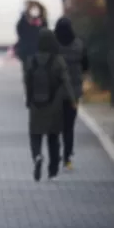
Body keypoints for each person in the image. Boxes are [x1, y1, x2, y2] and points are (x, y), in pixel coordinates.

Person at [24, 29, 76, 181]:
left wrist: (28, 100)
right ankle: (52, 171)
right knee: (53, 138)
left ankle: (37, 156)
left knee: (35, 135)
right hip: (54, 105)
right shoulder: (58, 60)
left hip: (36, 104)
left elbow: (28, 83)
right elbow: (66, 82)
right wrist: (72, 100)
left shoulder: (31, 60)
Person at [54, 17, 89, 169]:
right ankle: (67, 157)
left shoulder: (53, 46)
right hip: (73, 93)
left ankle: (55, 154)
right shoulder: (79, 45)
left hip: (55, 93)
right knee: (69, 126)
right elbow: (86, 66)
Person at [14, 0, 47, 66]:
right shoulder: (24, 20)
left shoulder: (42, 21)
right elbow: (20, 31)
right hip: (26, 51)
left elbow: (44, 33)